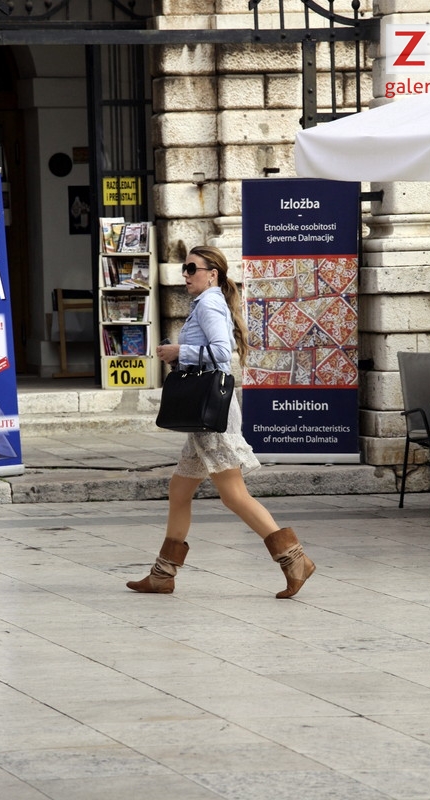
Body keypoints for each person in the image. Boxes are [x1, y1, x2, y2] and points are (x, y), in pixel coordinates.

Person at [127, 245, 315, 599]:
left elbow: (222, 353)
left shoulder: (210, 303)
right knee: (179, 491)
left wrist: (179, 351)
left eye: (192, 268)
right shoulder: (205, 302)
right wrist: (180, 357)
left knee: (234, 495)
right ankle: (162, 575)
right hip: (203, 421)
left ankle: (295, 559)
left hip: (213, 418)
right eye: (184, 268)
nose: (185, 275)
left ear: (212, 274)